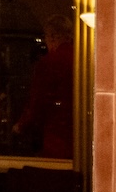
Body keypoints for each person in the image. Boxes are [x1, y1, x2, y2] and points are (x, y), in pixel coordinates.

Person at [15, 13, 76, 159]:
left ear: (52, 36)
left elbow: (38, 101)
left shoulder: (49, 62)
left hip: (55, 133)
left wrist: (21, 125)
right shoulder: (81, 60)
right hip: (76, 132)